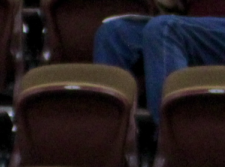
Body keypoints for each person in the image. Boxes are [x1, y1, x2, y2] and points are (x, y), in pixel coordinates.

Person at [94, 8, 225, 123]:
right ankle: (113, 140)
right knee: (114, 33)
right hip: (195, 26)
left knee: (164, 28)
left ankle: (177, 139)